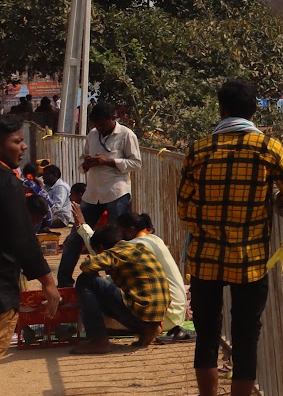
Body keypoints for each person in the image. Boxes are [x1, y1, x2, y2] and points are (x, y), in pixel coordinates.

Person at [179, 79, 283, 396]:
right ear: (253, 111)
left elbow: (184, 209)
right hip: (250, 260)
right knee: (246, 336)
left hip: (206, 258)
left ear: (221, 109)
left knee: (207, 334)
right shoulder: (269, 149)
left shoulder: (199, 150)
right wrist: (270, 201)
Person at [58, 103, 142, 287]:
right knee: (75, 237)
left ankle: (117, 283)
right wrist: (88, 163)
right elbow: (82, 162)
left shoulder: (127, 135)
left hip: (116, 191)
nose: (100, 128)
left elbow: (136, 163)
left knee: (115, 240)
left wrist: (110, 161)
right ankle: (63, 282)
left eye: (103, 124)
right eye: (97, 125)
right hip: (93, 192)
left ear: (113, 119)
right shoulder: (92, 135)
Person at [1, 115, 61, 359]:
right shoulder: (8, 184)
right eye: (17, 141)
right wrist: (48, 283)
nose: (24, 147)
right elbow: (23, 238)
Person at [72, 220, 170, 354]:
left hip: (140, 313)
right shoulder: (140, 248)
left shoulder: (115, 252)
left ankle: (98, 340)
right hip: (158, 316)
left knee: (86, 279)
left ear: (101, 248)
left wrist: (96, 259)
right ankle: (148, 330)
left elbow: (87, 266)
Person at [116, 211, 188, 339]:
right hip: (176, 314)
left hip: (165, 317)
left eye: (119, 231)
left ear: (130, 231)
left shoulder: (136, 245)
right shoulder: (154, 240)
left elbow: (105, 257)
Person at [43, 162, 73, 228]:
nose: (43, 177)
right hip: (50, 214)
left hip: (60, 218)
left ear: (55, 175)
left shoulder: (61, 187)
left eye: (46, 174)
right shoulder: (47, 186)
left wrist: (42, 213)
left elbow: (57, 207)